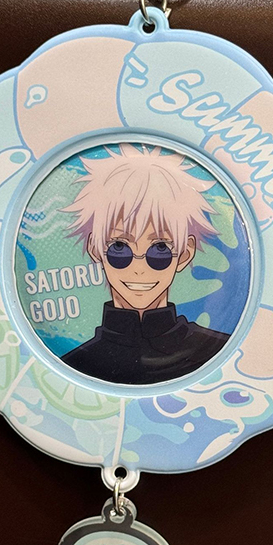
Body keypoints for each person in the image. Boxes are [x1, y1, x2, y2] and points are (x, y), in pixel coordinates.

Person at [60, 144, 229, 385]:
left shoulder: (219, 350)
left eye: (160, 249)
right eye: (119, 248)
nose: (139, 269)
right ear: (95, 249)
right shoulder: (73, 365)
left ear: (184, 254)